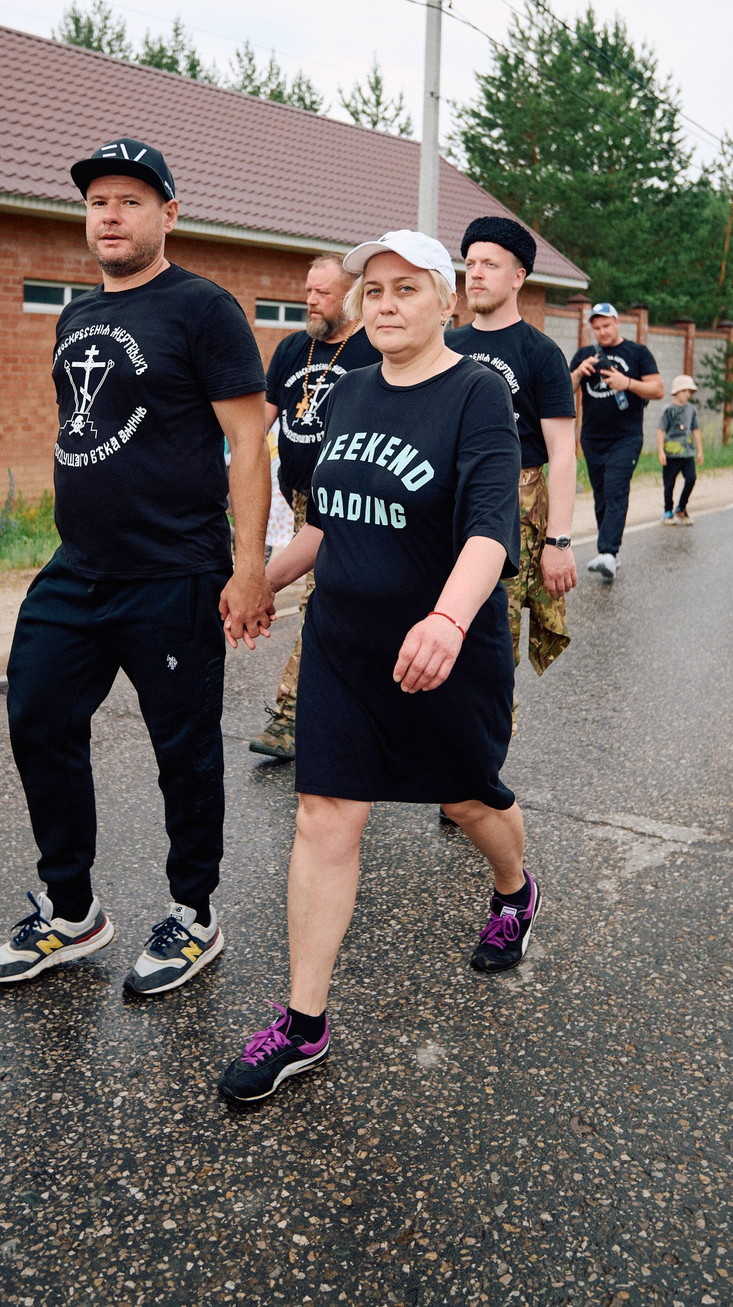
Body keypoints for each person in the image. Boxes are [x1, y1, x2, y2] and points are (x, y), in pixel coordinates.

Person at [216, 232, 527, 1104]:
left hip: (442, 650)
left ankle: (513, 889)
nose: (386, 304)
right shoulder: (349, 391)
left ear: (447, 303)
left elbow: (489, 529)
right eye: (375, 291)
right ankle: (303, 1022)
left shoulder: (477, 393)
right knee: (324, 816)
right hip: (345, 646)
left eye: (407, 289)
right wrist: (261, 579)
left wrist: (447, 619)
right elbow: (327, 520)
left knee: (466, 800)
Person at [0, 139, 271, 1000]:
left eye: (130, 201)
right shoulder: (75, 317)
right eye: (98, 201)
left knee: (184, 753)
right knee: (38, 719)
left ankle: (194, 915)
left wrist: (248, 565)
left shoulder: (204, 309)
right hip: (77, 569)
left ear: (168, 215)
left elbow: (249, 440)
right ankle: (71, 912)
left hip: (174, 569)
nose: (110, 215)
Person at [252, 254, 379, 760]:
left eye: (322, 293)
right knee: (346, 603)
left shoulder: (371, 349)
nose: (310, 301)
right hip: (301, 496)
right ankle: (362, 707)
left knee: (321, 598)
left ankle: (292, 716)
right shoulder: (291, 349)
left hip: (350, 500)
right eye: (308, 291)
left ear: (350, 298)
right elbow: (259, 423)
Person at [445, 214, 578, 690]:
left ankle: (492, 734)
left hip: (513, 511)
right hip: (442, 499)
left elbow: (563, 453)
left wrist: (558, 542)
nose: (475, 274)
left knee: (490, 640)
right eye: (470, 264)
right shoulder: (445, 344)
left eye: (490, 264)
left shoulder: (540, 353)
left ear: (519, 277)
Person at [569, 302, 662, 582]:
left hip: (626, 437)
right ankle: (610, 552)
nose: (602, 331)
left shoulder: (637, 353)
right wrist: (578, 372)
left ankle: (608, 552)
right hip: (592, 437)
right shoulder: (584, 354)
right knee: (601, 495)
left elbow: (658, 389)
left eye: (606, 325)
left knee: (615, 490)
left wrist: (627, 383)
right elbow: (563, 390)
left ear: (617, 322)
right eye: (597, 327)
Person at [657, 375, 702, 524]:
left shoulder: (691, 409)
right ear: (676, 392)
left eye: (689, 392)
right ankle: (667, 511)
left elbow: (695, 429)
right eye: (684, 391)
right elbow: (661, 430)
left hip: (687, 452)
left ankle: (681, 507)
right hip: (671, 453)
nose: (687, 394)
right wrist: (661, 451)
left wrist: (700, 450)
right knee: (669, 483)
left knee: (691, 478)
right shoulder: (668, 409)